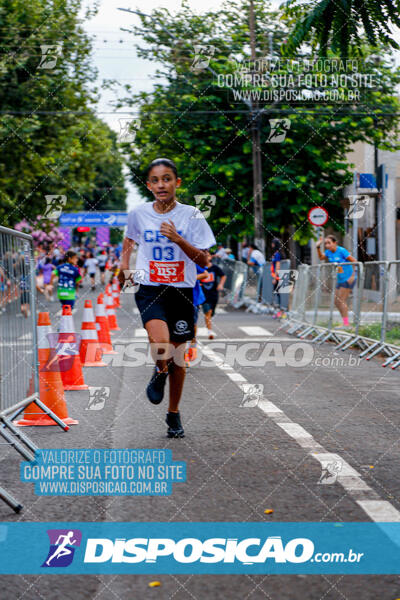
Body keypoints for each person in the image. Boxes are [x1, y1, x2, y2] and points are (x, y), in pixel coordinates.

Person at [118, 158, 216, 438]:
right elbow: (129, 240)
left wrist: (179, 240)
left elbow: (205, 260)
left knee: (179, 358)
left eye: (167, 178)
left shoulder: (192, 215)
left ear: (177, 183)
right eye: (156, 180)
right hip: (151, 288)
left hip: (182, 291)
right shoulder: (138, 213)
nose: (162, 184)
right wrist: (125, 267)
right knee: (160, 344)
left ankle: (173, 413)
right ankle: (159, 372)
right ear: (149, 185)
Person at [316, 234, 357, 328]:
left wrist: (353, 275)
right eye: (325, 243)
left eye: (329, 243)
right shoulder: (328, 252)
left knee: (341, 300)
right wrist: (318, 246)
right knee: (336, 302)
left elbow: (354, 261)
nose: (327, 245)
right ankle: (345, 322)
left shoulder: (341, 250)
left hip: (348, 278)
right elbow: (321, 258)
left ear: (335, 243)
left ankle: (346, 324)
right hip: (340, 279)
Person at [185, 265, 208, 364]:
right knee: (178, 327)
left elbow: (205, 274)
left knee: (192, 325)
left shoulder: (191, 259)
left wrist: (188, 279)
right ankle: (183, 355)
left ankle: (192, 346)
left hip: (193, 298)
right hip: (173, 298)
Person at [201, 250, 226, 339]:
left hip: (213, 294)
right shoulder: (200, 268)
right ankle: (209, 331)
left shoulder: (214, 268)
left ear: (211, 257)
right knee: (208, 312)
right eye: (204, 255)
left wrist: (220, 284)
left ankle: (208, 326)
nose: (206, 257)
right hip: (203, 294)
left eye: (208, 256)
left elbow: (223, 275)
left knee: (211, 313)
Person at [271, 238, 283, 318]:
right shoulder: (276, 253)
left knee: (278, 294)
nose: (271, 245)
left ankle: (281, 312)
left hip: (278, 277)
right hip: (276, 276)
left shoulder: (277, 254)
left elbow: (277, 266)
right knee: (277, 293)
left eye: (272, 243)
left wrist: (275, 277)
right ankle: (278, 311)